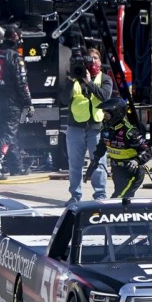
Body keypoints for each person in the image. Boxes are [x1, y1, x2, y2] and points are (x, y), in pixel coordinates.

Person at [62, 47, 112, 205]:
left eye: (95, 59)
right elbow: (63, 99)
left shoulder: (104, 79)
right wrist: (71, 81)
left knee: (99, 163)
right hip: (75, 127)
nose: (93, 62)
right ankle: (75, 196)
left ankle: (100, 195)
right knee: (75, 164)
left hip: (96, 128)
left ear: (100, 61)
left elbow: (105, 96)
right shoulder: (75, 77)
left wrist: (89, 82)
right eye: (89, 59)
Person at [0, 26, 34, 180]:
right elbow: (22, 83)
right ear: (16, 39)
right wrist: (28, 104)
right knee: (8, 134)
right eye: (21, 38)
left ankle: (16, 166)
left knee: (11, 133)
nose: (22, 41)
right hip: (11, 103)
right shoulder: (15, 58)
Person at [84, 97, 151, 198]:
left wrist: (137, 161)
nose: (104, 117)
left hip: (132, 172)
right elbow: (101, 148)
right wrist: (92, 166)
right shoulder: (106, 129)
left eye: (107, 115)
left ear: (116, 114)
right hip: (117, 170)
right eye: (104, 114)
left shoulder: (130, 132)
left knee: (118, 198)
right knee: (124, 201)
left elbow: (147, 151)